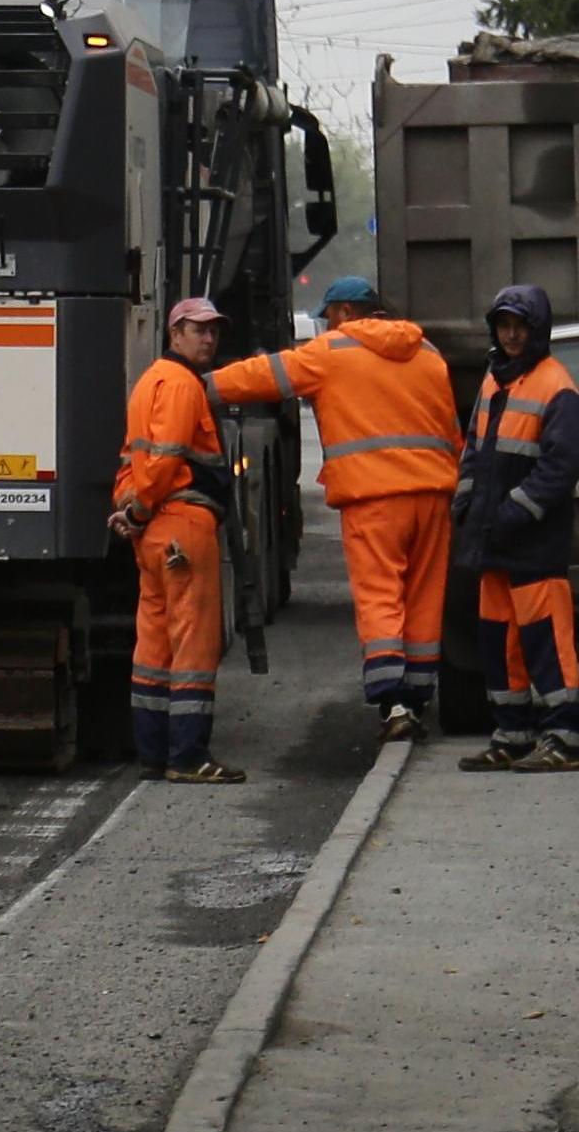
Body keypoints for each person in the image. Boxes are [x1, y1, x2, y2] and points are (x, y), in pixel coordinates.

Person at [209, 276, 459, 742]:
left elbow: (262, 377)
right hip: (433, 494)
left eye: (329, 317)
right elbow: (450, 430)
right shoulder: (427, 354)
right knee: (424, 594)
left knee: (380, 594)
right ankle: (419, 696)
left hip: (374, 499)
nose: (326, 326)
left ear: (344, 312)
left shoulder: (333, 353)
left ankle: (393, 702)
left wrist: (200, 385)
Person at [452, 284, 579, 773]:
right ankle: (511, 735)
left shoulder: (556, 386)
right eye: (503, 325)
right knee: (500, 641)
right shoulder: (496, 380)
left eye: (519, 325)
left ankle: (564, 741)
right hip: (494, 541)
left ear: (537, 330)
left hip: (532, 544)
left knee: (546, 641)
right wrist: (466, 500)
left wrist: (513, 511)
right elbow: (472, 449)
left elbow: (563, 464)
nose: (511, 334)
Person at [117, 298, 245, 784]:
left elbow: (134, 459)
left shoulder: (149, 381)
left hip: (154, 535)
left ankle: (153, 753)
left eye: (214, 331)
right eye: (199, 331)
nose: (209, 339)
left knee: (153, 645)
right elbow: (166, 459)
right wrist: (141, 508)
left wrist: (129, 511)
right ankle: (188, 756)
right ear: (175, 335)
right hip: (183, 525)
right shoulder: (184, 385)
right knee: (192, 645)